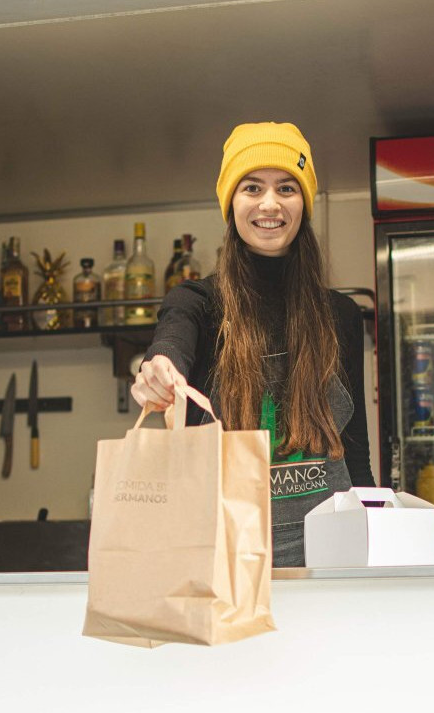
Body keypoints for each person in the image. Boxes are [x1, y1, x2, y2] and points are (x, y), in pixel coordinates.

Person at [131, 121, 374, 566]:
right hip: (226, 565)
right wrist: (160, 367)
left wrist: (377, 541)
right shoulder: (197, 303)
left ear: (303, 203)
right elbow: (173, 339)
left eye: (286, 188)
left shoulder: (340, 314)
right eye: (252, 187)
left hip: (332, 560)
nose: (269, 203)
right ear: (231, 203)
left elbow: (355, 449)